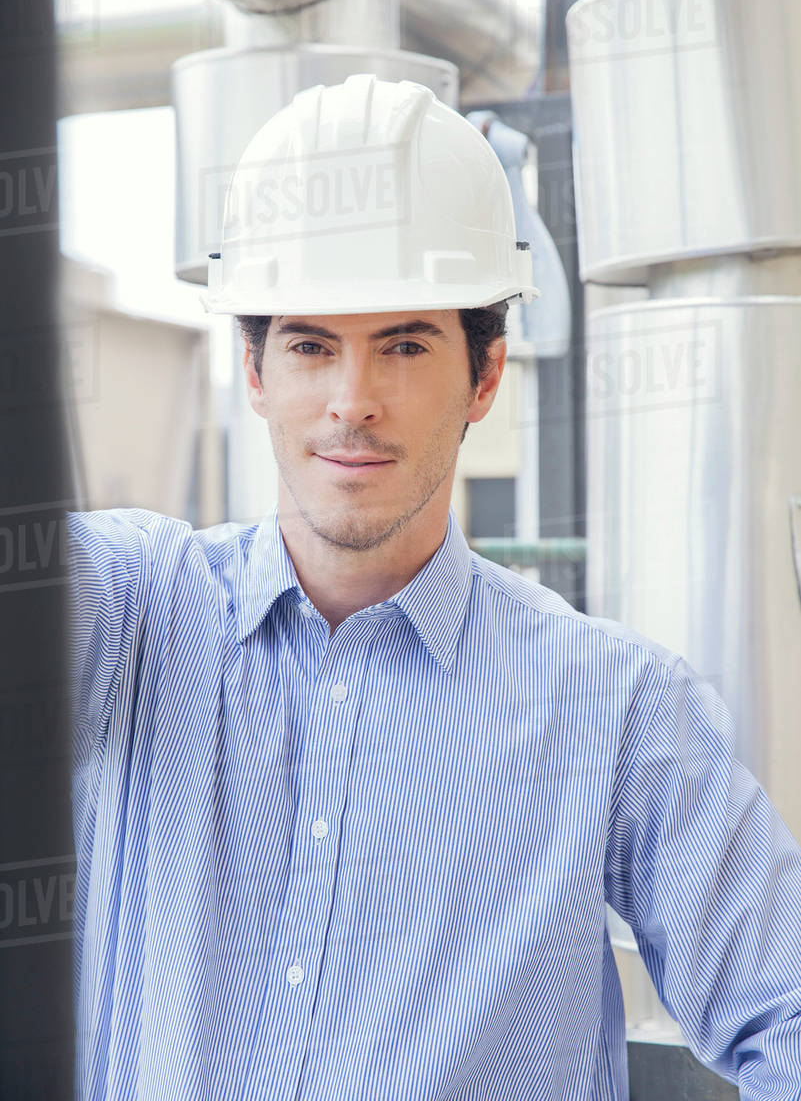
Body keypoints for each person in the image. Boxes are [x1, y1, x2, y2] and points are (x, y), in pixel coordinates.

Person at [67, 75, 801, 1100]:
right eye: (312, 346)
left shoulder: (621, 708)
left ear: (485, 374)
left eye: (403, 345)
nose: (352, 402)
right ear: (258, 371)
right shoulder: (133, 615)